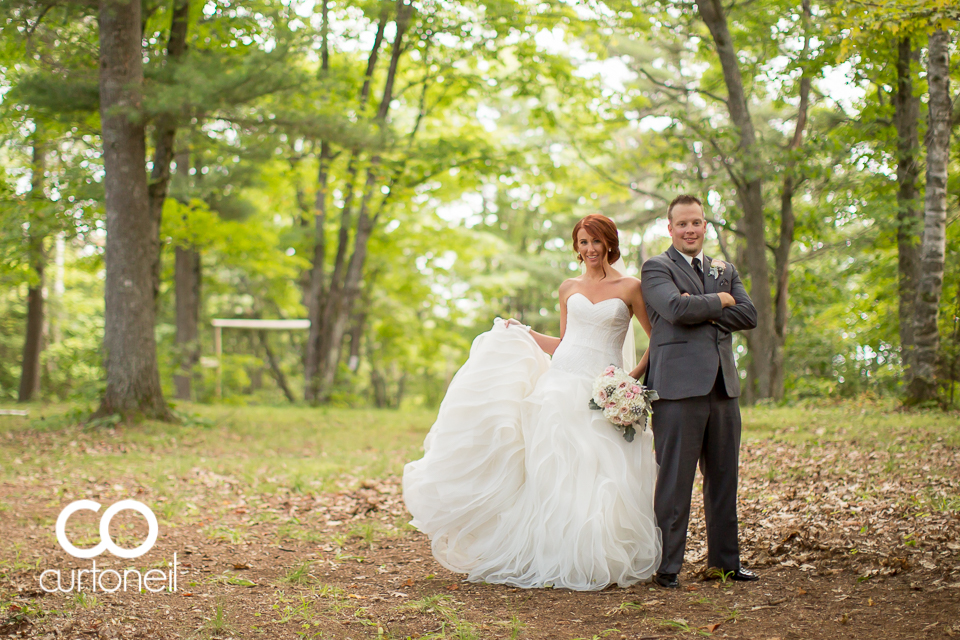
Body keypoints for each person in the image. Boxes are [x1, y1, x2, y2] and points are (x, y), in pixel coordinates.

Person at [402, 214, 662, 590]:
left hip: (603, 390)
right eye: (583, 242)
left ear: (609, 243)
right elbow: (565, 343)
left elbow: (655, 339)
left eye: (596, 241)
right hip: (559, 385)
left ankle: (596, 553)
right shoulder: (567, 287)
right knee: (555, 470)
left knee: (601, 471)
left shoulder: (631, 287)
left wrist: (629, 381)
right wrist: (523, 333)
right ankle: (557, 551)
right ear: (576, 247)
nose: (589, 249)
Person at [640, 194, 758, 589]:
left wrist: (702, 305)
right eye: (683, 224)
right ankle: (667, 567)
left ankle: (725, 563)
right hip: (677, 389)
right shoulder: (656, 267)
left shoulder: (724, 268)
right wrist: (720, 302)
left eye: (697, 223)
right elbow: (674, 309)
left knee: (724, 479)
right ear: (670, 228)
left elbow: (749, 314)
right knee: (675, 481)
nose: (690, 229)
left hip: (723, 387)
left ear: (705, 226)